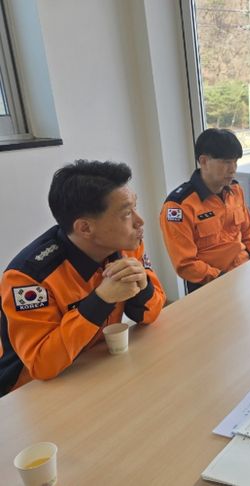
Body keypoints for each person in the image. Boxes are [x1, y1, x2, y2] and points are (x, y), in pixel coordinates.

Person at [0, 161, 166, 396]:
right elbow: (41, 364)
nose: (139, 221)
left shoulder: (124, 246)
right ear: (85, 228)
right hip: (32, 391)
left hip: (94, 366)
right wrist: (101, 300)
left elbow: (151, 314)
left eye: (135, 208)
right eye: (127, 213)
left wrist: (143, 287)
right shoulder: (28, 277)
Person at [159, 129, 250, 293]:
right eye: (226, 162)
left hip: (245, 272)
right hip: (211, 284)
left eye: (235, 162)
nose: (233, 169)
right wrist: (223, 279)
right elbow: (186, 264)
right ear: (204, 161)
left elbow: (248, 235)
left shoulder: (235, 190)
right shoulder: (178, 206)